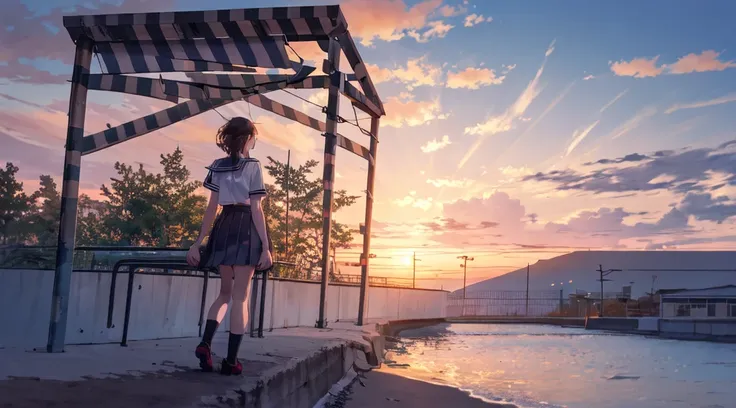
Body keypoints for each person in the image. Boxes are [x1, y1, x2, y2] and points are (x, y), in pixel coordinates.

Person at [186, 116, 272, 376]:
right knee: (240, 297)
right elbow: (257, 208)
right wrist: (266, 247)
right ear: (247, 139)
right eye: (253, 137)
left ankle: (206, 343)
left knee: (224, 293)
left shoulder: (218, 167)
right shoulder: (253, 166)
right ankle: (232, 361)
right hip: (245, 227)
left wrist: (198, 242)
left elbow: (212, 206)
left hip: (224, 226)